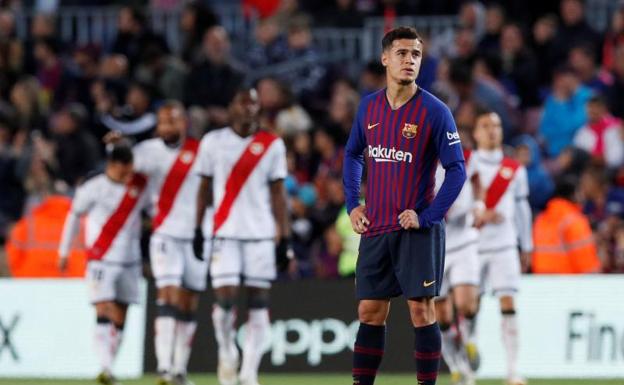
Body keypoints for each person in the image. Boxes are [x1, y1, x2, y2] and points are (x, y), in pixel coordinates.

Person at [343, 27, 466, 385]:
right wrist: (354, 204)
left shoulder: (435, 110)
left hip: (417, 230)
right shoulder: (368, 107)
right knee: (369, 311)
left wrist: (428, 216)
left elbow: (457, 170)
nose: (409, 60)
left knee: (421, 309)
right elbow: (353, 153)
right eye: (402, 53)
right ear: (385, 58)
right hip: (376, 227)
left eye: (415, 54)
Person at [194, 88, 291, 385]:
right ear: (231, 108)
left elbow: (278, 194)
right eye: (243, 102)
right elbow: (204, 188)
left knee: (259, 301)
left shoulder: (272, 144)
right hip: (224, 231)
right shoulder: (213, 142)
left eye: (254, 103)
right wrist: (198, 229)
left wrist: (283, 238)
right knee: (224, 299)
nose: (249, 108)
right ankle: (226, 351)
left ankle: (249, 372)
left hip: (260, 234)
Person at [58, 144, 149, 385]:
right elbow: (74, 215)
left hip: (130, 260)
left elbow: (153, 209)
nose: (129, 174)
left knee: (122, 314)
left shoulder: (138, 188)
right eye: (125, 169)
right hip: (101, 259)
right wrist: (64, 251)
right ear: (114, 164)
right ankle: (105, 368)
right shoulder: (94, 187)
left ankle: (109, 367)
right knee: (103, 308)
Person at [132, 101, 207, 385]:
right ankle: (163, 368)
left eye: (172, 122)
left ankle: (179, 369)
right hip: (165, 235)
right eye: (162, 122)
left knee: (189, 302)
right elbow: (125, 171)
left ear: (183, 123)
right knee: (168, 294)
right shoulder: (146, 152)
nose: (166, 127)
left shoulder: (201, 152)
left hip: (198, 236)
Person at [470, 108, 533, 385]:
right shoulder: (466, 164)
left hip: (505, 245)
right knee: (470, 307)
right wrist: (477, 213)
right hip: (471, 245)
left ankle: (513, 370)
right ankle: (467, 369)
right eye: (485, 126)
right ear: (476, 133)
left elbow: (522, 210)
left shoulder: (514, 170)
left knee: (508, 302)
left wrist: (527, 245)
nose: (491, 130)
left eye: (495, 125)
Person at [434, 144, 482, 385]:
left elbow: (477, 179)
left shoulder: (465, 157)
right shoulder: (420, 163)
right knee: (441, 316)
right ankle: (457, 367)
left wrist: (479, 205)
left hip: (464, 240)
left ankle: (470, 339)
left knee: (466, 304)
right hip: (435, 245)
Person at [532, 176, 601, 274]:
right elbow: (585, 260)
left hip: (542, 281)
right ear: (573, 195)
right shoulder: (573, 221)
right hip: (569, 283)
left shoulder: (541, 219)